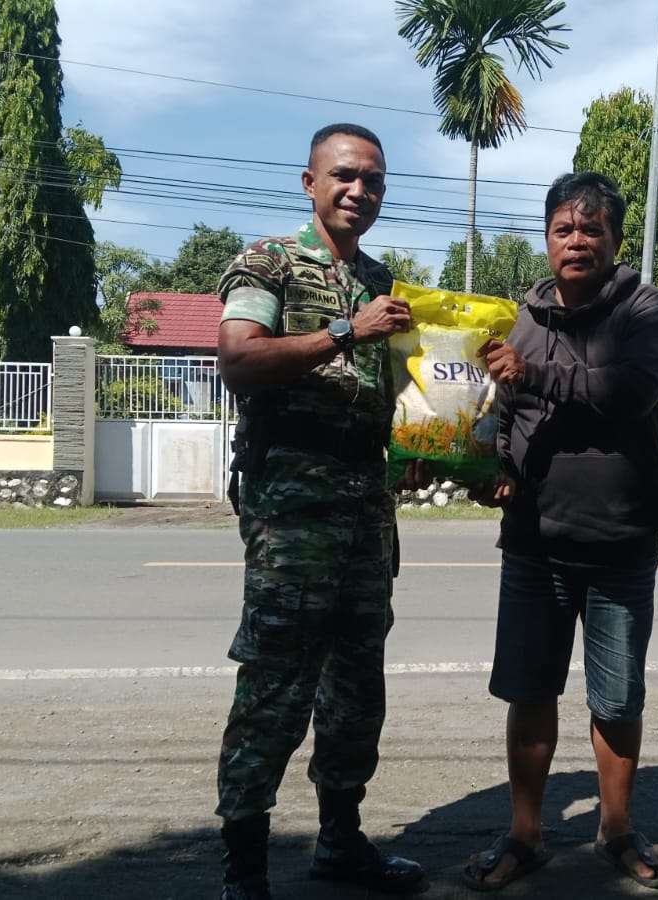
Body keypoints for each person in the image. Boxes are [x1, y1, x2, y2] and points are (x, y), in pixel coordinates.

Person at [213, 122, 426, 900]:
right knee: (275, 687)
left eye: (373, 180)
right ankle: (245, 869)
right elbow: (239, 357)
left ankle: (340, 842)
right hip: (292, 511)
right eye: (345, 175)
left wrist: (422, 446)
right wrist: (345, 329)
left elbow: (395, 390)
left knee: (356, 691)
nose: (359, 190)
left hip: (366, 508)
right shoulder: (269, 262)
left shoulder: (382, 280)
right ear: (311, 183)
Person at [463, 171, 658, 891]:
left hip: (621, 541)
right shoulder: (521, 316)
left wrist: (532, 372)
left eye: (592, 228)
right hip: (534, 541)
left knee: (616, 700)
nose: (578, 240)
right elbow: (503, 411)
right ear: (547, 237)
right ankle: (525, 835)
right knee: (530, 693)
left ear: (615, 239)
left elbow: (629, 392)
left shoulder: (645, 309)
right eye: (564, 228)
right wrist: (496, 464)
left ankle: (616, 830)